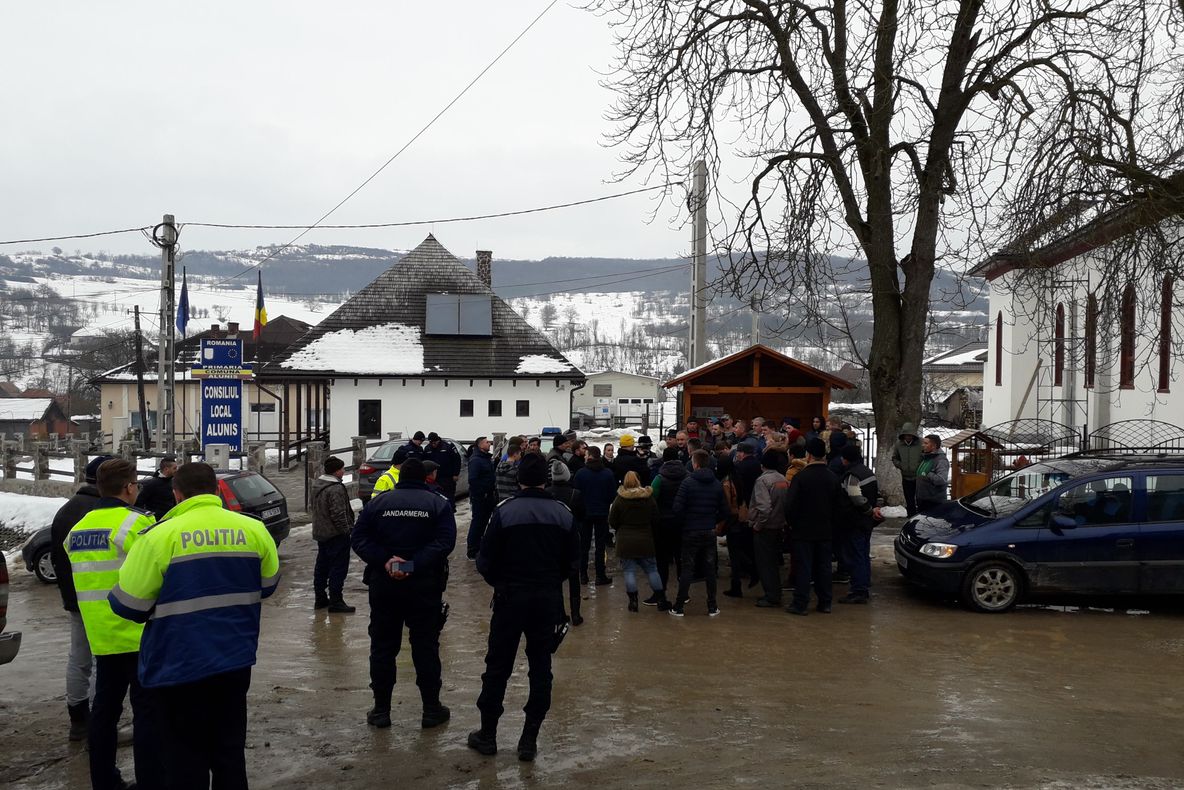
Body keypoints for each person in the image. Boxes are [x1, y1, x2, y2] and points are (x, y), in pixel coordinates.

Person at [109, 461, 279, 789]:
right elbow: (268, 584)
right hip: (235, 661)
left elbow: (128, 605)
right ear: (216, 490)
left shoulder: (158, 537)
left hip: (177, 666)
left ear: (177, 495)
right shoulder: (254, 529)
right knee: (230, 753)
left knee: (184, 758)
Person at [469, 453, 581, 762]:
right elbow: (573, 562)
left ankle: (488, 735)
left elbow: (484, 559)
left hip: (510, 598)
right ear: (546, 479)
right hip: (546, 599)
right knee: (541, 668)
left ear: (519, 479)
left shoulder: (505, 511)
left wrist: (501, 584)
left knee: (497, 667)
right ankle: (529, 739)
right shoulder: (562, 513)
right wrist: (549, 581)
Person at [66, 458, 163, 790]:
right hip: (138, 634)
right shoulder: (135, 525)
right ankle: (149, 781)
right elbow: (156, 571)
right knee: (147, 714)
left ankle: (104, 781)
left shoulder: (79, 529)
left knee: (104, 714)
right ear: (130, 487)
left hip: (101, 637)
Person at [351, 458, 456, 730]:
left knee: (383, 648)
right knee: (425, 647)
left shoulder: (378, 503)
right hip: (424, 586)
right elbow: (445, 543)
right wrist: (411, 564)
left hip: (384, 584)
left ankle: (381, 710)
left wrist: (386, 561)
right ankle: (431, 709)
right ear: (424, 478)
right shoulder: (437, 503)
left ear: (399, 477)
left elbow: (359, 539)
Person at [50, 453, 112, 742]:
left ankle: (78, 719)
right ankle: (101, 723)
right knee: (103, 661)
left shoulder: (66, 511)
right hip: (105, 600)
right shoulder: (104, 513)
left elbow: (59, 559)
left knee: (78, 658)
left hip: (76, 600)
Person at [783, 439, 844, 616]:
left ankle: (800, 603)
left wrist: (792, 524)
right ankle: (825, 602)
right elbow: (839, 506)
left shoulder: (801, 477)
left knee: (804, 567)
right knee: (824, 567)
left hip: (803, 530)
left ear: (808, 455)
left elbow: (790, 506)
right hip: (825, 530)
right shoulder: (832, 477)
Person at [670, 450, 729, 617]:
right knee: (710, 569)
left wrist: (687, 522)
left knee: (687, 568)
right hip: (709, 531)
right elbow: (725, 511)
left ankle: (679, 606)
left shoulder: (687, 483)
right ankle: (712, 606)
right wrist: (712, 520)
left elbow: (677, 509)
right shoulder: (717, 484)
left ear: (695, 464)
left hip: (690, 531)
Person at [609, 471, 668, 612]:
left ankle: (633, 601)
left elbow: (612, 521)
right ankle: (661, 599)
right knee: (652, 570)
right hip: (645, 539)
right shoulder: (648, 498)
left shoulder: (620, 499)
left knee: (629, 571)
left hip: (625, 540)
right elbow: (656, 518)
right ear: (638, 481)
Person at [311, 456, 356, 613]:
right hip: (336, 535)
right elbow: (338, 514)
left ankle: (320, 598)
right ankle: (336, 601)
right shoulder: (335, 488)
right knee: (338, 568)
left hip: (321, 532)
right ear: (336, 471)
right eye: (342, 469)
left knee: (322, 567)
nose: (344, 471)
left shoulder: (318, 484)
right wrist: (347, 531)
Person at [837, 445, 880, 604]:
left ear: (846, 459)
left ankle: (859, 590)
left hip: (855, 521)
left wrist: (869, 510)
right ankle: (864, 582)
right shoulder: (867, 471)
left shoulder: (852, 476)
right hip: (865, 522)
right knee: (863, 553)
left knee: (856, 556)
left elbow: (856, 498)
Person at [545, 461, 585, 625]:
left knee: (556, 578)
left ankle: (560, 613)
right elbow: (582, 516)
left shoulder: (546, 493)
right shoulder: (576, 494)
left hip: (552, 541)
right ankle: (576, 614)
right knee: (574, 577)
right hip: (572, 539)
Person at [749, 449, 789, 608]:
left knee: (765, 563)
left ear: (762, 464)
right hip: (779, 525)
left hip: (765, 528)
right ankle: (775, 592)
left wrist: (758, 525)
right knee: (773, 562)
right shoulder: (782, 479)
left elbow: (764, 508)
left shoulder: (762, 481)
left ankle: (771, 596)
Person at [572, 445, 616, 586]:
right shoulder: (607, 473)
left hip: (585, 514)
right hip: (601, 513)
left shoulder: (580, 473)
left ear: (590, 456)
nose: (584, 456)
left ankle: (583, 575)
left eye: (586, 455)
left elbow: (576, 495)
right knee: (600, 545)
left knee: (584, 546)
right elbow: (612, 495)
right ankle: (600, 575)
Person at [723, 441, 761, 598]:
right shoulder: (758, 465)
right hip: (752, 510)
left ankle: (742, 579)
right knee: (746, 545)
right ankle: (752, 571)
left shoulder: (737, 472)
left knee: (735, 550)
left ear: (742, 453)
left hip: (738, 512)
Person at [649, 446, 688, 595]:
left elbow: (652, 499)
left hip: (663, 523)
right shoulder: (687, 476)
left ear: (664, 459)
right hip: (681, 522)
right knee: (681, 558)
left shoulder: (659, 478)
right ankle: (684, 593)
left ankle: (660, 593)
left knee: (662, 560)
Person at [467, 436, 497, 559]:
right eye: (486, 442)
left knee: (485, 523)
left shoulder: (486, 458)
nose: (489, 443)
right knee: (477, 523)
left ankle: (481, 547)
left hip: (489, 496)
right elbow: (473, 480)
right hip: (480, 498)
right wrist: (482, 493)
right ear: (480, 445)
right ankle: (472, 550)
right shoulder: (476, 460)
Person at [892, 423, 923, 516]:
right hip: (905, 476)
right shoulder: (898, 444)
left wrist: (920, 466)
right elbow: (894, 458)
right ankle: (911, 518)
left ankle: (921, 518)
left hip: (919, 477)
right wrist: (901, 465)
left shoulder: (920, 443)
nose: (908, 437)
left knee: (920, 500)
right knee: (909, 501)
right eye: (906, 435)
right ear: (903, 435)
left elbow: (926, 456)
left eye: (910, 435)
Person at [915, 434, 950, 511]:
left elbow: (941, 480)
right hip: (922, 500)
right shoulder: (926, 457)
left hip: (934, 502)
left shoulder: (941, 460)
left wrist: (928, 473)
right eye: (923, 443)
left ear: (934, 446)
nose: (923, 445)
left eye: (926, 443)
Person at [425, 432, 462, 504]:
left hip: (447, 477)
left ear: (438, 440)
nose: (433, 444)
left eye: (434, 442)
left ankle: (451, 510)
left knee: (449, 497)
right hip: (434, 478)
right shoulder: (427, 449)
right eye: (431, 443)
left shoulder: (448, 446)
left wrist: (455, 474)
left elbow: (457, 460)